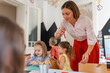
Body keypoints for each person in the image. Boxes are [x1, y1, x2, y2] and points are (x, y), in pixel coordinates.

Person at [55, 1, 99, 71]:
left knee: (90, 65)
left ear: (74, 12)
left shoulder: (85, 20)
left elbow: (91, 39)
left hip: (89, 43)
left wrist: (87, 53)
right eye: (63, 14)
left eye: (67, 14)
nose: (65, 16)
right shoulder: (63, 22)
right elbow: (56, 36)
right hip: (77, 42)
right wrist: (59, 33)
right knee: (75, 64)